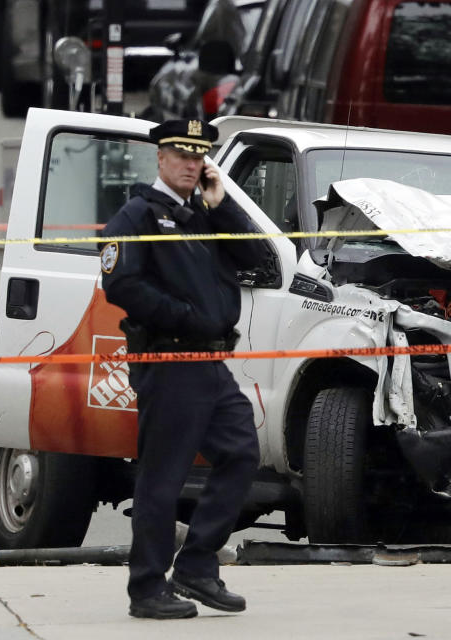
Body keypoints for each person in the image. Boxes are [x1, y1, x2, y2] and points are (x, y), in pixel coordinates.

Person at [99, 119, 273, 619]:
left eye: (198, 156)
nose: (191, 164)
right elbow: (122, 286)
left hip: (210, 362)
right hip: (170, 359)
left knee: (241, 454)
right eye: (181, 154)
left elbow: (257, 257)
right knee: (162, 479)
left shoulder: (205, 214)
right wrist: (187, 317)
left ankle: (196, 567)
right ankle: (147, 587)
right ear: (160, 157)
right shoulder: (137, 216)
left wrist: (224, 205)